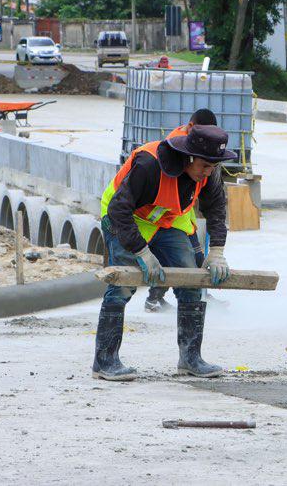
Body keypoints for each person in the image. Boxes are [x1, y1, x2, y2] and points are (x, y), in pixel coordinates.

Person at [95, 118, 237, 381]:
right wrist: (142, 252)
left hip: (163, 220)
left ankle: (190, 359)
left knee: (191, 281)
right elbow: (118, 210)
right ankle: (104, 362)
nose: (208, 173)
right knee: (123, 284)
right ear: (189, 157)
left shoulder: (208, 170)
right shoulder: (149, 164)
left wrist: (217, 251)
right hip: (124, 217)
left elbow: (216, 209)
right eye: (205, 166)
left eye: (213, 166)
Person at [144, 109, 215, 313]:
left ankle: (200, 294)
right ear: (191, 127)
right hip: (171, 218)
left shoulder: (195, 145)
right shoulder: (179, 147)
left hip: (183, 216)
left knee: (194, 260)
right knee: (177, 261)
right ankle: (155, 297)